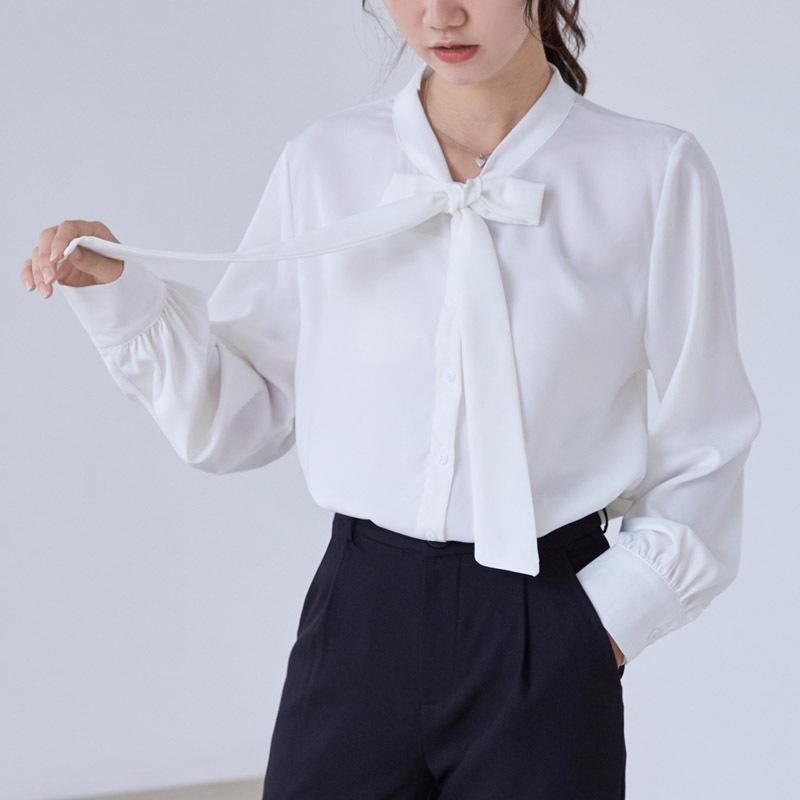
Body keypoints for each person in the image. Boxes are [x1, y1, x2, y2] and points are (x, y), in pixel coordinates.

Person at [22, 1, 762, 797]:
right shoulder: (326, 163)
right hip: (359, 617)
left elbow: (707, 437)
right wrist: (121, 295)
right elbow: (242, 418)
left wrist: (601, 626)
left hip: (544, 617)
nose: (440, 15)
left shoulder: (651, 172)